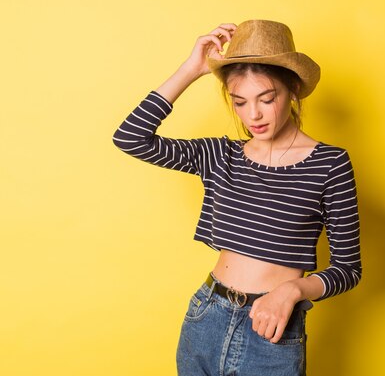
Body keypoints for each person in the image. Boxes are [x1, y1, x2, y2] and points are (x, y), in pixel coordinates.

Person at [112, 19, 362, 376]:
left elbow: (348, 270)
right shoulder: (220, 155)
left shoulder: (330, 164)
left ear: (292, 90)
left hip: (273, 329)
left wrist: (291, 290)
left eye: (267, 98)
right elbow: (131, 138)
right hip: (206, 317)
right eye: (240, 101)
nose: (253, 115)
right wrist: (192, 69)